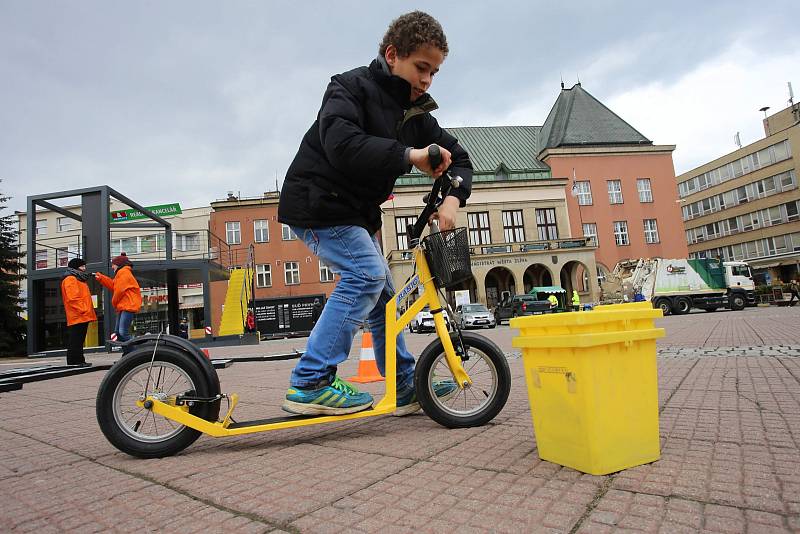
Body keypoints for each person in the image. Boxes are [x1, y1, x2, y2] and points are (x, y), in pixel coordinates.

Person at [277, 11, 473, 416]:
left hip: (353, 214)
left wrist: (452, 199)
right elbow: (342, 143)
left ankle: (403, 387)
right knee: (366, 275)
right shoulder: (350, 88)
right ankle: (311, 381)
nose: (426, 80)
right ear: (392, 54)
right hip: (319, 201)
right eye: (421, 67)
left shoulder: (417, 116)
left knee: (385, 296)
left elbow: (462, 158)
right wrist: (408, 155)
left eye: (434, 72)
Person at [95, 252, 142, 344]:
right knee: (119, 333)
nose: (112, 267)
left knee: (122, 333)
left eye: (113, 265)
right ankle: (128, 353)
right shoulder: (122, 273)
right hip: (125, 306)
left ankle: (134, 352)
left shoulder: (123, 273)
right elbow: (114, 285)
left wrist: (114, 302)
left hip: (127, 306)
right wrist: (101, 278)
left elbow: (119, 291)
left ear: (118, 265)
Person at [61, 258, 97, 366]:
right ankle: (74, 361)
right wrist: (84, 309)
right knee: (76, 339)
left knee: (79, 339)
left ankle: (79, 360)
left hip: (80, 315)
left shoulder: (78, 279)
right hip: (78, 315)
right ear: (75, 267)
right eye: (82, 266)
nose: (84, 268)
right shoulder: (71, 279)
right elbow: (73, 298)